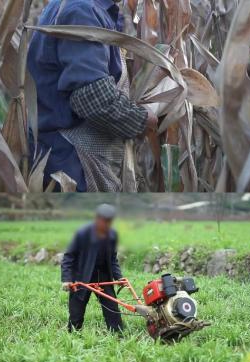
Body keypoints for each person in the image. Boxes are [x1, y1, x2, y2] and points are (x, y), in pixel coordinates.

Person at [27, 0, 158, 191]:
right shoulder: (83, 10)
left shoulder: (83, 7)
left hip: (63, 155)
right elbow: (92, 98)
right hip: (70, 163)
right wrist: (142, 119)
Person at [62, 204, 124, 333]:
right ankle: (73, 335)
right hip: (82, 276)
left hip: (103, 276)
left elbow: (113, 259)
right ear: (97, 219)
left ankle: (117, 335)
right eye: (104, 221)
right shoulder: (82, 233)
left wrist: (119, 276)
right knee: (77, 309)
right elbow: (69, 256)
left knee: (112, 307)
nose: (106, 225)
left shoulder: (112, 235)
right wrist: (66, 279)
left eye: (109, 222)